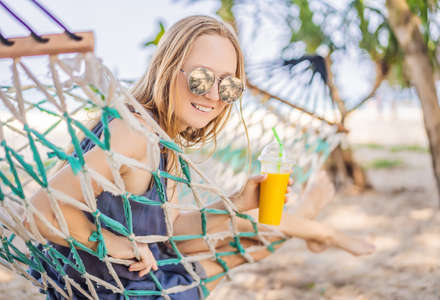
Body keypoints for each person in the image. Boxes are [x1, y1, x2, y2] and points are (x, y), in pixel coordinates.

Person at [25, 15, 374, 299]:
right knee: (245, 246)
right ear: (168, 67)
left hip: (132, 274)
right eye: (201, 78)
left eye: (228, 86)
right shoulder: (135, 136)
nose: (213, 95)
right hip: (122, 289)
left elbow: (169, 228)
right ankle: (309, 227)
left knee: (244, 240)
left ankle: (301, 226)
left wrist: (235, 203)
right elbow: (40, 210)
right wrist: (113, 244)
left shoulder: (156, 136)